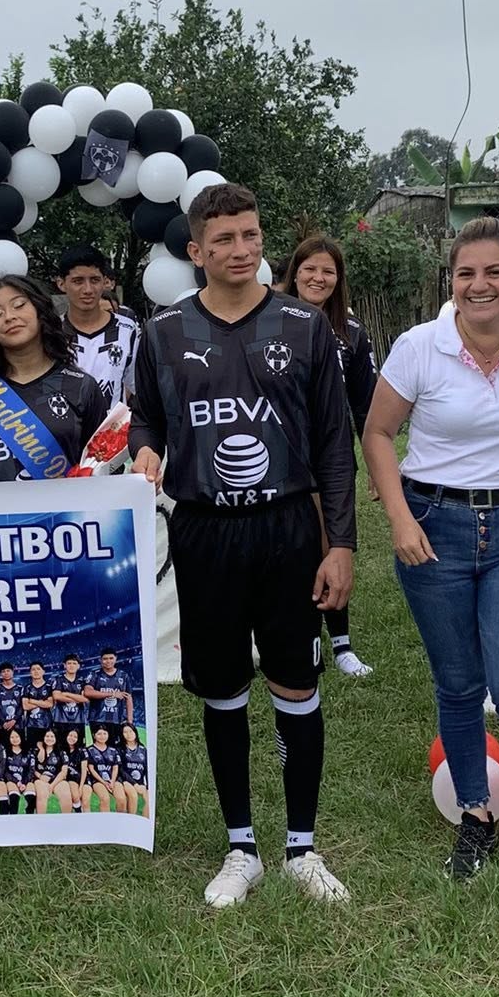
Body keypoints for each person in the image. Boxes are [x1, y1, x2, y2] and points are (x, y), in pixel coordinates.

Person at [129, 181, 356, 908]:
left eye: (250, 235)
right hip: (204, 530)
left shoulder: (303, 326)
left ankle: (302, 848)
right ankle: (241, 848)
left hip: (286, 526)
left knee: (296, 683)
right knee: (223, 688)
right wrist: (143, 448)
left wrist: (341, 543)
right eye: (223, 239)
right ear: (196, 251)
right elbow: (145, 417)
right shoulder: (164, 331)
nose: (239, 249)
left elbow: (334, 444)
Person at [361, 217, 499, 890]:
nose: (479, 286)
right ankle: (475, 812)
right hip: (432, 526)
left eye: (494, 272)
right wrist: (398, 519)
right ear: (451, 280)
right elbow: (379, 432)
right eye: (465, 273)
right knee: (457, 683)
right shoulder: (420, 346)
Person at [284, 233, 377, 679]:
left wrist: (376, 466)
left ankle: (341, 645)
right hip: (280, 459)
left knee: (330, 547)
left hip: (330, 459)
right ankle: (293, 637)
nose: (318, 278)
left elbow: (366, 407)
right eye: (310, 269)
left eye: (328, 271)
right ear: (294, 273)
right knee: (286, 551)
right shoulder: (271, 322)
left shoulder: (351, 334)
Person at [0, 276, 108, 481]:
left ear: (40, 311)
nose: (9, 317)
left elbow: (104, 464)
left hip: (65, 502)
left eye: (19, 305)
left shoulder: (80, 386)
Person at [55, 244, 143, 409]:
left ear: (104, 282)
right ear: (61, 284)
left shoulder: (127, 329)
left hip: (114, 425)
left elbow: (137, 385)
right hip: (66, 424)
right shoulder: (52, 331)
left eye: (94, 280)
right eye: (78, 281)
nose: (88, 289)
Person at [117, 721, 149, 815]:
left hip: (140, 782)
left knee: (149, 799)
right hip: (126, 780)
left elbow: (147, 769)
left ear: (135, 732)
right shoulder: (120, 749)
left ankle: (145, 821)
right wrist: (134, 784)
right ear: (122, 734)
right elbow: (121, 769)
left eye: (131, 731)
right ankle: (131, 819)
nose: (129, 734)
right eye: (125, 732)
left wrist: (148, 786)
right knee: (133, 796)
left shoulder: (143, 749)